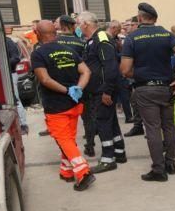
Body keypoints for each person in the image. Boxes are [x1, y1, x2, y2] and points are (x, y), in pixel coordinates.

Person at [120, 2, 175, 182]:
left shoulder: (132, 38)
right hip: (166, 87)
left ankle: (158, 170)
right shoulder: (166, 34)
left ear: (140, 18)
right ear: (155, 18)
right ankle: (170, 162)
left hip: (145, 88)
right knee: (168, 126)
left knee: (152, 128)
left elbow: (125, 70)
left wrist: (141, 74)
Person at [29, 20, 95, 191]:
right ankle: (66, 172)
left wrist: (67, 90)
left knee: (64, 140)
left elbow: (44, 79)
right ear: (55, 33)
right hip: (74, 104)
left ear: (37, 33)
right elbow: (86, 71)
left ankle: (84, 172)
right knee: (69, 139)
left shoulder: (38, 54)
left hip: (56, 106)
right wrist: (78, 89)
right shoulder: (69, 50)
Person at [78, 12, 127, 174]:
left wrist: (107, 91)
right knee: (111, 121)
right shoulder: (92, 40)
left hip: (103, 91)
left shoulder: (101, 38)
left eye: (79, 23)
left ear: (86, 24)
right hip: (99, 90)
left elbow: (110, 66)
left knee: (103, 122)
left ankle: (108, 159)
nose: (78, 27)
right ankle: (119, 152)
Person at [57, 14, 96, 155]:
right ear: (73, 26)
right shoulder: (81, 42)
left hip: (61, 87)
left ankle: (69, 149)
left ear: (61, 26)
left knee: (65, 119)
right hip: (81, 85)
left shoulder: (55, 42)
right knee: (87, 117)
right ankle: (90, 146)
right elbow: (87, 64)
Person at [107, 20, 134, 124]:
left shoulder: (116, 38)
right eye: (117, 31)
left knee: (125, 95)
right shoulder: (107, 39)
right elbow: (114, 55)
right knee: (113, 96)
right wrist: (123, 54)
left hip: (120, 71)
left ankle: (129, 116)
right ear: (113, 28)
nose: (118, 33)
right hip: (113, 71)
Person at [5, 33, 29, 134]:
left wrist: (3, 64)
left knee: (16, 99)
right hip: (4, 74)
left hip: (10, 74)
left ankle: (23, 125)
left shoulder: (8, 42)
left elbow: (16, 58)